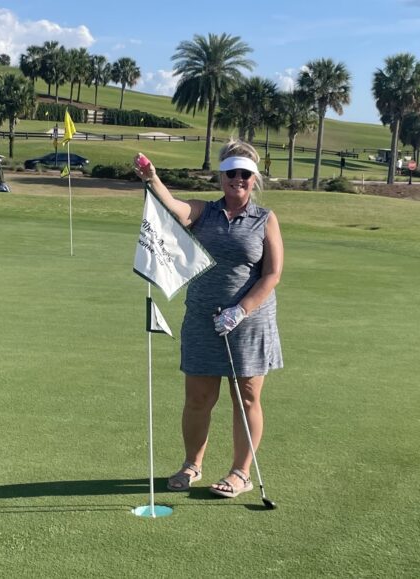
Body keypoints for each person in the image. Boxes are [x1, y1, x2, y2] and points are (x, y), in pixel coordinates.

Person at [133, 140, 284, 499]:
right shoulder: (205, 212)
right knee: (198, 397)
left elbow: (272, 274)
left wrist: (240, 310)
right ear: (222, 176)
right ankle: (192, 464)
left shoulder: (265, 219)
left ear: (254, 178)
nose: (238, 179)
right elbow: (173, 209)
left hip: (250, 322)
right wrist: (153, 179)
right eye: (231, 172)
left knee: (246, 396)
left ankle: (240, 473)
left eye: (245, 174)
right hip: (203, 318)